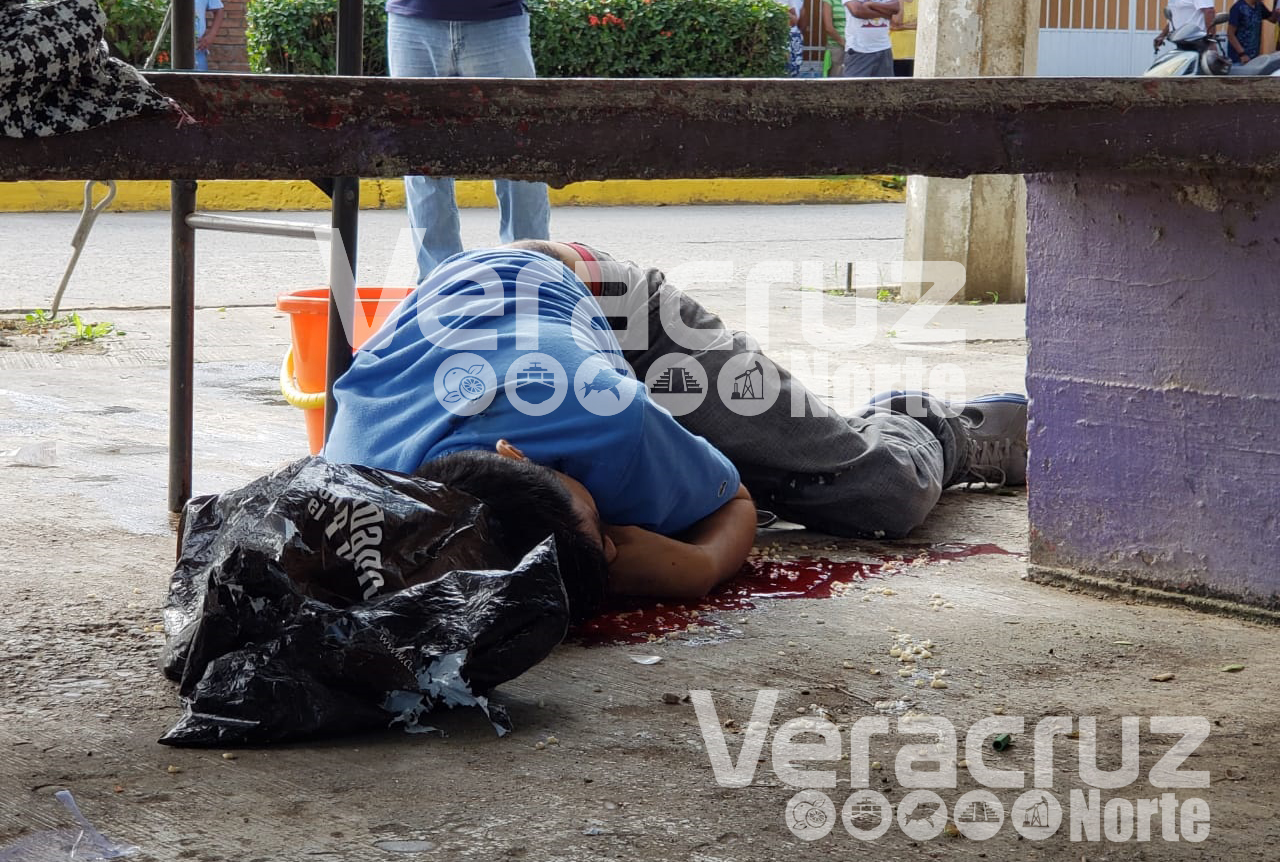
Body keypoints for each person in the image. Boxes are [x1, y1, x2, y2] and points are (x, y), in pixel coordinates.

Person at [324, 241, 1029, 616]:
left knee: (879, 496)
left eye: (597, 520)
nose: (613, 536)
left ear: (518, 455)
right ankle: (749, 449)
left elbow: (734, 507)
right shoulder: (360, 498)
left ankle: (934, 424)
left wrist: (701, 565)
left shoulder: (611, 421)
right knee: (748, 466)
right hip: (494, 320)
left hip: (611, 306)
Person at [384, 0, 552, 281]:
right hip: (410, 21)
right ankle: (438, 282)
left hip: (497, 23)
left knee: (520, 158)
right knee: (420, 159)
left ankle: (529, 275)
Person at [735, 0, 802, 76]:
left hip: (779, 48)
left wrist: (783, 15)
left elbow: (794, 19)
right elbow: (736, 19)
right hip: (752, 48)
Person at [154, 0, 224, 71]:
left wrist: (211, 35)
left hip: (196, 48)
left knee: (198, 84)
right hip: (165, 48)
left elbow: (218, 9)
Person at [1227, 0, 1276, 64]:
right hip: (1239, 60)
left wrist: (1276, 9)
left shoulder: (1259, 6)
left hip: (1254, 59)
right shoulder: (1238, 8)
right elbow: (1230, 34)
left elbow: (1272, 19)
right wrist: (1242, 54)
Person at [821, 0, 853, 77]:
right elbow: (828, 27)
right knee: (835, 82)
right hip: (836, 47)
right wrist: (844, 43)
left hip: (854, 47)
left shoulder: (855, 1)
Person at [890, 0, 918, 77]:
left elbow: (922, 24)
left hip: (915, 53)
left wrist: (901, 27)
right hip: (896, 54)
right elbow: (896, 22)